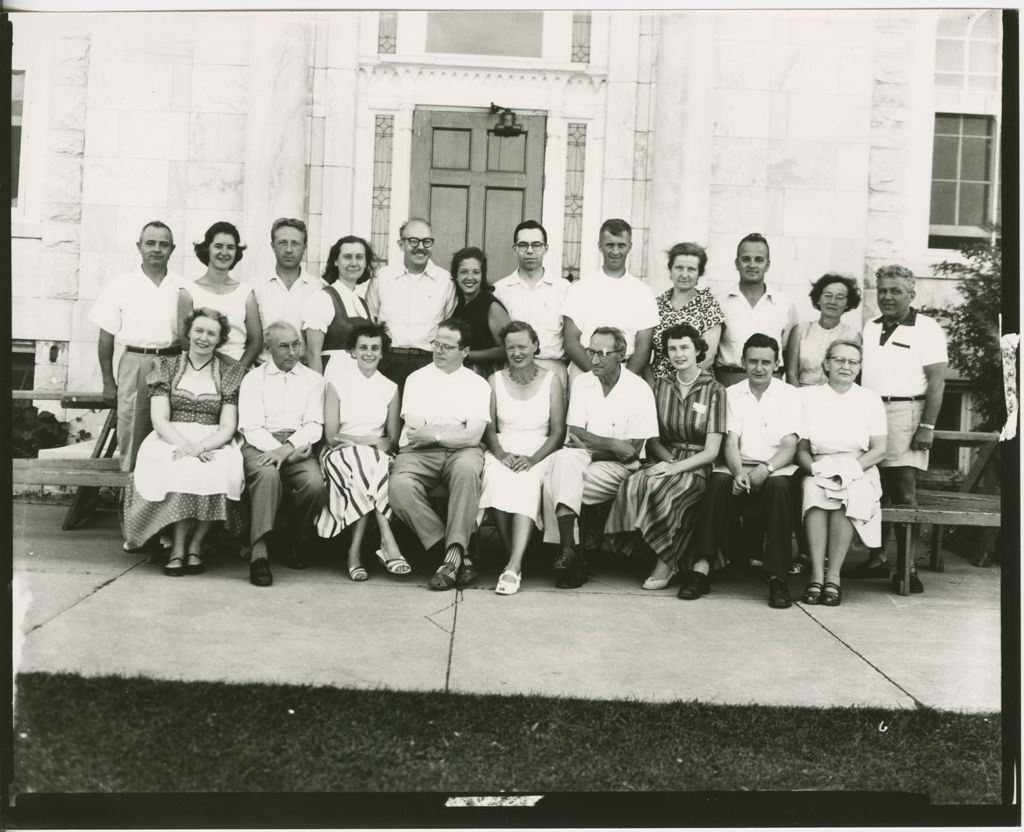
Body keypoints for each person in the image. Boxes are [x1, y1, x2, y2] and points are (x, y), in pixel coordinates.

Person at [121, 307, 246, 575]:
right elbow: (160, 419)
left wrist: (201, 446)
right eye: (198, 330)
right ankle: (177, 548)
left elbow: (228, 425)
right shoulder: (165, 366)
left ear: (220, 339)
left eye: (211, 333)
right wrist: (185, 447)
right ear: (188, 333)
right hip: (169, 437)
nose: (204, 338)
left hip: (212, 439)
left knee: (222, 467)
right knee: (181, 468)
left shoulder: (229, 370)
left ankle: (196, 545)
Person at [847, 265, 948, 594]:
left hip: (907, 412)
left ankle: (908, 568)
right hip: (870, 413)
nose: (888, 297)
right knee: (875, 489)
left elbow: (937, 382)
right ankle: (877, 559)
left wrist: (927, 425)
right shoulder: (871, 326)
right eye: (883, 290)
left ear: (911, 294)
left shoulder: (927, 328)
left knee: (903, 493)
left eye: (896, 291)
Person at [604, 323, 726, 589]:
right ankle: (645, 551)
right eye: (672, 349)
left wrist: (678, 468)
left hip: (698, 463)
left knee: (666, 489)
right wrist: (669, 463)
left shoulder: (714, 389)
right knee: (636, 482)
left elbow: (712, 451)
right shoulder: (660, 386)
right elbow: (653, 438)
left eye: (685, 347)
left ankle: (667, 562)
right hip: (664, 457)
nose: (678, 354)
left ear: (698, 350)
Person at [540, 327, 658, 589]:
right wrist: (613, 443)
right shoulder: (583, 382)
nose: (594, 360)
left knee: (555, 482)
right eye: (591, 351)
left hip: (621, 468)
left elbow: (633, 449)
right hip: (585, 460)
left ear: (621, 354)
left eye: (603, 353)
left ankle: (569, 552)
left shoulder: (639, 389)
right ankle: (571, 553)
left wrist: (596, 446)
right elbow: (575, 433)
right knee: (563, 461)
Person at [694, 334, 801, 608]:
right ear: (742, 361)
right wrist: (738, 471)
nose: (759, 368)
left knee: (778, 489)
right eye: (752, 361)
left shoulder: (790, 395)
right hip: (739, 464)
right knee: (717, 482)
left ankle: (777, 576)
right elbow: (730, 440)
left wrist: (767, 468)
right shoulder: (731, 394)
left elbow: (790, 445)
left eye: (766, 362)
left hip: (777, 468)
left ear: (777, 364)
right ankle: (701, 568)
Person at [388, 317, 491, 591]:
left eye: (447, 346)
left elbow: (474, 436)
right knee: (399, 486)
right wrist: (454, 430)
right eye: (436, 343)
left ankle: (451, 557)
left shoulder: (477, 384)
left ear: (465, 351)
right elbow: (415, 432)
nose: (439, 351)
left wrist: (436, 433)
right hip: (419, 454)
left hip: (463, 453)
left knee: (468, 471)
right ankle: (456, 555)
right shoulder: (417, 379)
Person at [796, 340, 887, 606]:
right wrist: (814, 469)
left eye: (852, 361)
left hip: (860, 467)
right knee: (813, 491)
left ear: (859, 367)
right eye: (839, 360)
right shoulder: (807, 397)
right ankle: (815, 574)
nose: (845, 366)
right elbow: (801, 448)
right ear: (826, 363)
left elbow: (880, 449)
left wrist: (850, 471)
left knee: (848, 493)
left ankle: (833, 576)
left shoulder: (870, 399)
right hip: (819, 466)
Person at [237, 321, 327, 587]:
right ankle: (259, 551)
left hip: (298, 445)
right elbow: (250, 427)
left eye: (296, 344)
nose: (292, 352)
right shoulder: (253, 379)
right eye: (284, 346)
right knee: (267, 476)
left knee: (314, 485)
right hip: (260, 444)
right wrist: (277, 452)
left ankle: (294, 539)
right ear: (267, 348)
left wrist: (287, 451)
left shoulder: (314, 380)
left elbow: (314, 424)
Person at [479, 321, 566, 595]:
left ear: (536, 346)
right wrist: (502, 454)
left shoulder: (552, 380)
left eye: (523, 346)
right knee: (495, 479)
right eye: (511, 347)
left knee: (527, 482)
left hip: (541, 449)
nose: (517, 353)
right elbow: (490, 427)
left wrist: (533, 459)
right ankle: (515, 555)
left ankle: (514, 565)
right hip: (503, 447)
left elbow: (558, 431)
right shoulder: (494, 380)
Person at [316, 321, 407, 582]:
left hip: (375, 456)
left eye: (375, 348)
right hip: (338, 454)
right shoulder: (336, 384)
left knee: (369, 466)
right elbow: (332, 436)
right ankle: (388, 540)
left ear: (382, 352)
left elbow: (392, 438)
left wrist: (374, 443)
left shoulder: (389, 387)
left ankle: (354, 552)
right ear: (353, 352)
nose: (369, 353)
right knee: (367, 465)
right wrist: (369, 441)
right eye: (363, 347)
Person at [89, 220, 182, 472]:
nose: (156, 249)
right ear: (139, 246)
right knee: (132, 428)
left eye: (164, 244)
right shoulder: (121, 285)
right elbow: (105, 338)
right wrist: (108, 382)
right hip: (135, 363)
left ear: (172, 249)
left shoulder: (182, 287)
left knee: (171, 430)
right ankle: (127, 500)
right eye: (150, 243)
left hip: (172, 362)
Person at [365, 218, 456, 392]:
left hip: (429, 362)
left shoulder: (445, 280)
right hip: (388, 361)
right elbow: (372, 320)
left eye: (426, 241)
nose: (421, 247)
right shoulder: (382, 278)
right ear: (401, 244)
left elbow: (448, 323)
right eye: (413, 241)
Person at [561, 218, 659, 380]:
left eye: (621, 245)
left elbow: (644, 346)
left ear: (630, 247)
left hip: (628, 373)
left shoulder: (643, 292)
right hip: (586, 372)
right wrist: (595, 374)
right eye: (609, 245)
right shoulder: (580, 289)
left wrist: (623, 380)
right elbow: (571, 341)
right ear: (600, 246)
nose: (615, 251)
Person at [493, 220, 571, 390]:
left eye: (536, 245)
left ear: (546, 248)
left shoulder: (564, 288)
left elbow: (571, 337)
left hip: (553, 367)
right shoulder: (500, 290)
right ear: (515, 249)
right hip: (513, 368)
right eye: (523, 245)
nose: (529, 251)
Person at [714, 233, 797, 387]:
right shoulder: (719, 302)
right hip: (728, 381)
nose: (752, 265)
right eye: (746, 259)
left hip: (771, 382)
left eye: (759, 260)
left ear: (768, 265)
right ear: (736, 263)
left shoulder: (784, 304)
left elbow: (787, 351)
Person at [177, 222, 262, 369]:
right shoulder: (188, 292)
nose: (224, 252)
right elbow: (185, 341)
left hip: (240, 366)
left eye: (230, 247)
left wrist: (238, 370)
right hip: (199, 367)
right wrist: (220, 362)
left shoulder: (246, 292)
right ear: (207, 249)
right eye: (218, 246)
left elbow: (256, 340)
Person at [253, 218, 326, 365]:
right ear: (272, 246)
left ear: (304, 247)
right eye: (282, 242)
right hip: (263, 370)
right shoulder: (255, 286)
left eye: (295, 243)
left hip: (303, 371)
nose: (288, 249)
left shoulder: (318, 289)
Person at [650, 242, 724, 380]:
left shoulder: (708, 304)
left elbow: (708, 357)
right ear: (670, 271)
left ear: (699, 274)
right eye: (679, 268)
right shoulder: (656, 304)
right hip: (659, 384)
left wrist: (680, 385)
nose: (684, 274)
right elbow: (646, 352)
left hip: (695, 384)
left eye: (691, 269)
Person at [301, 235, 374, 375]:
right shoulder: (322, 299)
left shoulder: (363, 303)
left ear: (365, 263)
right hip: (332, 378)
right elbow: (312, 353)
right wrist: (318, 392)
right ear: (335, 261)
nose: (354, 263)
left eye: (359, 257)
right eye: (347, 257)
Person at [785, 273, 863, 387]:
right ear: (818, 299)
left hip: (835, 397)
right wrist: (798, 400)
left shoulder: (853, 336)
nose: (832, 301)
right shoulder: (800, 330)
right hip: (802, 394)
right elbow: (791, 373)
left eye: (840, 297)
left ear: (847, 304)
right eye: (828, 295)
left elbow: (852, 376)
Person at [451, 246, 511, 377]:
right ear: (455, 275)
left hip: (484, 374)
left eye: (476, 272)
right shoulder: (457, 303)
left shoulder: (492, 306)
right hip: (459, 373)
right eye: (464, 272)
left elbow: (507, 349)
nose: (470, 277)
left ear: (482, 276)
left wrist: (465, 355)